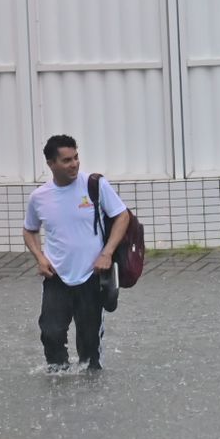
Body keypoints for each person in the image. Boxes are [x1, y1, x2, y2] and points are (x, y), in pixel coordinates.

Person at [22, 134, 132, 372]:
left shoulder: (95, 185)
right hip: (56, 277)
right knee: (51, 334)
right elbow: (29, 230)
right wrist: (40, 258)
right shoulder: (39, 198)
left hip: (92, 275)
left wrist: (107, 252)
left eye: (76, 157)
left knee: (89, 348)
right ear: (51, 164)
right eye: (66, 160)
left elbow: (122, 216)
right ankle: (57, 385)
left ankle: (90, 395)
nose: (74, 164)